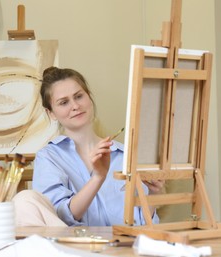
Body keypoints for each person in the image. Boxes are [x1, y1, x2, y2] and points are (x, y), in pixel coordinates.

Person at [13, 67, 164, 226]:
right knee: (23, 200)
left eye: (79, 96)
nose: (75, 106)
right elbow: (58, 218)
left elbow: (144, 222)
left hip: (126, 246)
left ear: (89, 97)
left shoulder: (125, 154)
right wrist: (98, 177)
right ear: (51, 113)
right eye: (64, 102)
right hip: (74, 247)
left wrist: (154, 193)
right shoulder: (48, 157)